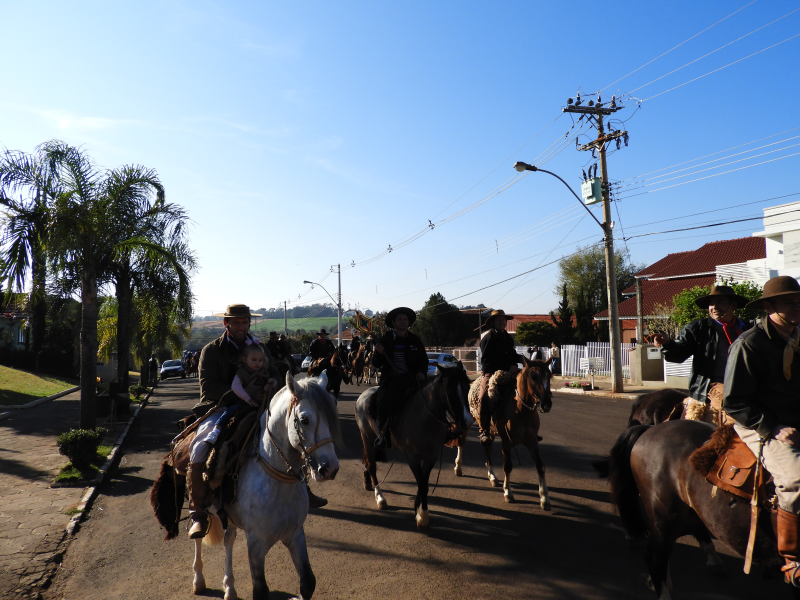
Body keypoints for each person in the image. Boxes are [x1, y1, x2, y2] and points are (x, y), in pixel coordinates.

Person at [188, 304, 325, 539]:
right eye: (236, 322)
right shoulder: (211, 351)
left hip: (261, 403)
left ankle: (304, 486)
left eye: (245, 322)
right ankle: (198, 511)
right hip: (222, 406)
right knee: (201, 447)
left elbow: (272, 370)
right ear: (226, 324)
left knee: (292, 435)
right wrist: (243, 394)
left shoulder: (260, 347)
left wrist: (272, 381)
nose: (241, 326)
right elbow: (208, 387)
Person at [724, 276, 800, 585]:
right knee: (796, 477)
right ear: (768, 307)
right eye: (788, 303)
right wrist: (774, 427)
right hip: (760, 421)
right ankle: (794, 559)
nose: (797, 308)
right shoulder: (750, 344)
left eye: (799, 301)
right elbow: (734, 402)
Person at [653, 285, 752, 423]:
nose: (714, 307)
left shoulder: (748, 329)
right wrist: (668, 344)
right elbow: (678, 355)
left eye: (720, 302)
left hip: (745, 391)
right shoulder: (697, 328)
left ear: (733, 305)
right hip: (709, 393)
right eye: (711, 303)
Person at [371, 307, 428, 449]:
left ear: (408, 322)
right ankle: (383, 436)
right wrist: (378, 353)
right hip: (391, 380)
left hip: (412, 379)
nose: (403, 322)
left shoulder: (415, 340)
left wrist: (422, 372)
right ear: (393, 322)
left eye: (405, 319)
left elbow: (423, 360)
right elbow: (376, 363)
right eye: (399, 319)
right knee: (382, 402)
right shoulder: (385, 339)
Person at [202, 343, 270, 447]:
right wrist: (247, 398)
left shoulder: (263, 371)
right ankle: (215, 432)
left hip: (262, 403)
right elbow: (235, 387)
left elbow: (274, 375)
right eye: (254, 360)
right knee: (231, 410)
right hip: (244, 402)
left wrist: (272, 382)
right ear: (244, 359)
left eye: (260, 360)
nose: (257, 363)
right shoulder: (242, 372)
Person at [477, 310, 524, 446]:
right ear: (493, 322)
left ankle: (527, 428)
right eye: (499, 320)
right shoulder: (488, 338)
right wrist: (507, 367)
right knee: (483, 397)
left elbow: (513, 355)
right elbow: (486, 362)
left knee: (527, 389)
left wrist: (523, 359)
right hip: (491, 374)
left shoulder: (508, 338)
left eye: (504, 320)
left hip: (509, 373)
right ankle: (484, 430)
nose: (502, 322)